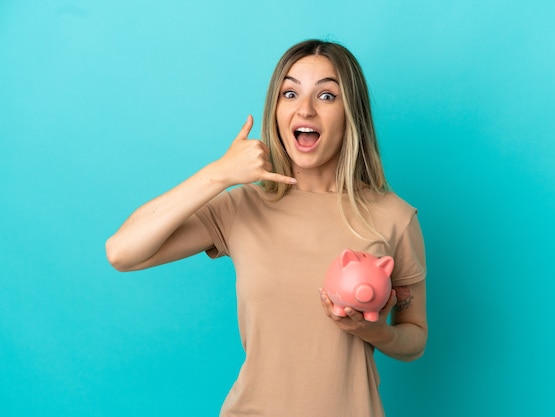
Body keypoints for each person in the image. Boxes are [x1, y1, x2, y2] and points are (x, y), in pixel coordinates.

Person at [106, 39, 427, 417]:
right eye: (290, 93)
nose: (304, 109)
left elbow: (414, 338)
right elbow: (121, 252)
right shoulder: (243, 207)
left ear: (351, 112)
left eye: (326, 95)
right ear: (276, 110)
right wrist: (218, 174)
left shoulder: (394, 217)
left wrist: (372, 331)